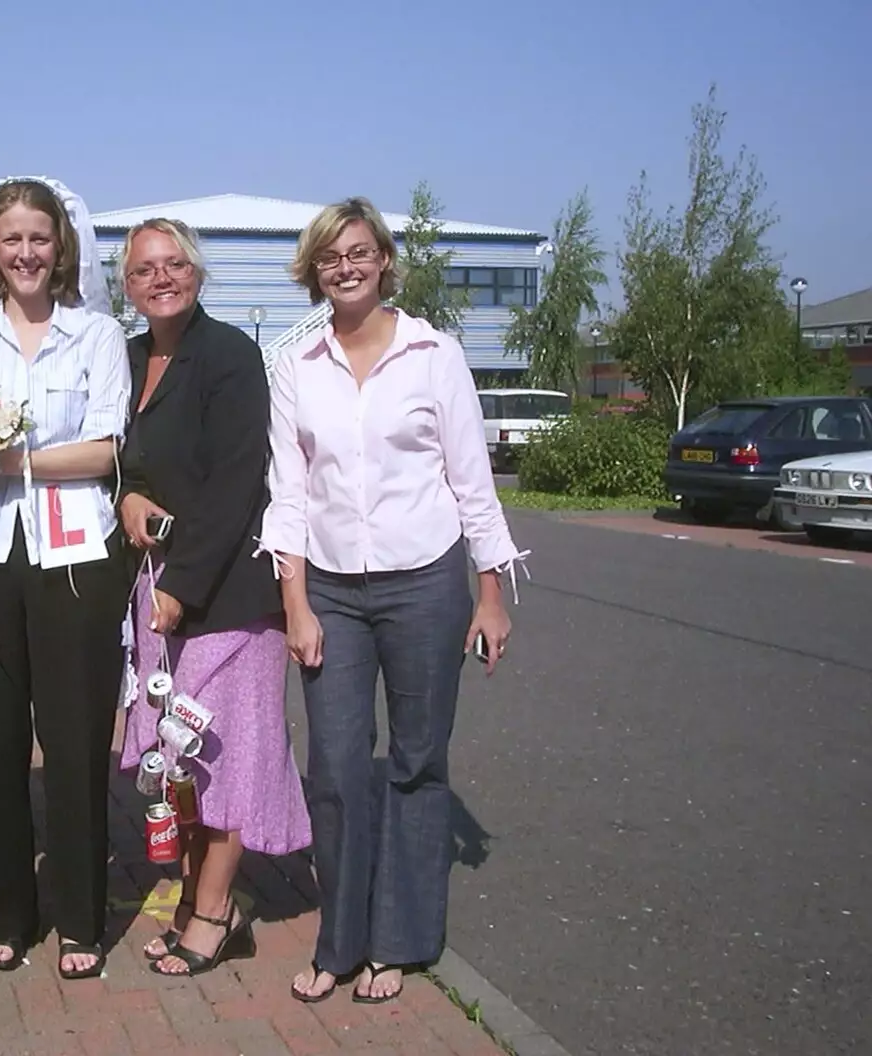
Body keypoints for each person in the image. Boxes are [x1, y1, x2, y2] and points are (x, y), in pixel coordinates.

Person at [257, 197, 526, 1005]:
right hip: (331, 591)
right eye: (331, 256)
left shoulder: (433, 354)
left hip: (426, 585)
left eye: (361, 252)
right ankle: (339, 944)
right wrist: (295, 606)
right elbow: (289, 496)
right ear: (314, 269)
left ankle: (397, 944)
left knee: (414, 762)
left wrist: (490, 596)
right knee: (336, 766)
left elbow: (471, 484)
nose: (347, 267)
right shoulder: (293, 366)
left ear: (383, 261)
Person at [0, 177, 131, 979]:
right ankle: (9, 912)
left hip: (77, 558)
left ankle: (80, 917)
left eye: (39, 238)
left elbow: (108, 447)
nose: (26, 254)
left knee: (78, 744)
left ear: (62, 244)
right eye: (11, 239)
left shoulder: (98, 335)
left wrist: (19, 458)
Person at [114, 219, 312, 977]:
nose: (160, 278)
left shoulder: (229, 355)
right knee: (180, 765)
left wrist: (183, 589)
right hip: (158, 592)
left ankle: (216, 912)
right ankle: (200, 894)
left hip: (225, 596)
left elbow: (235, 485)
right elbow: (123, 460)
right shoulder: (130, 359)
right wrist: (129, 497)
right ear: (126, 284)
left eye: (174, 265)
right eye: (143, 270)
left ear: (197, 273)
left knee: (226, 760)